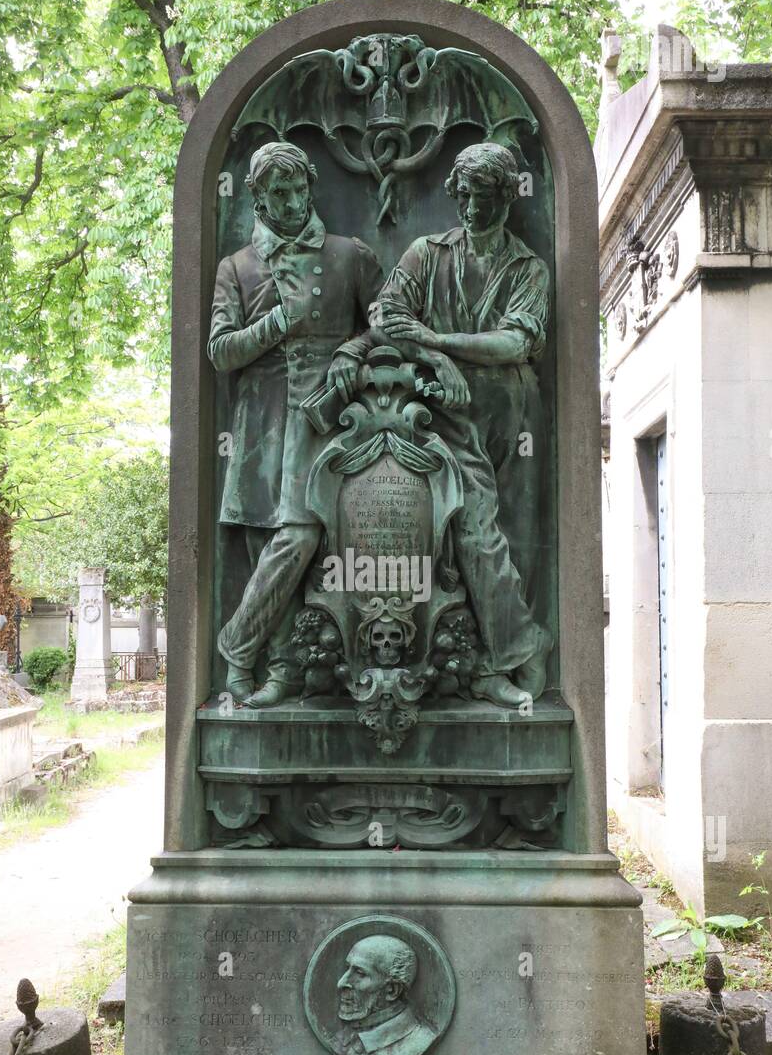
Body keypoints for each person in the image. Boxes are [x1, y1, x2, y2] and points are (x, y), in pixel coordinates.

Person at [336, 141, 551, 704]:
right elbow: (385, 315)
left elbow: (517, 341)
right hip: (443, 415)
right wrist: (438, 359)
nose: (473, 206)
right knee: (475, 532)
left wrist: (438, 339)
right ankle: (510, 658)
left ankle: (491, 657)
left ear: (507, 196)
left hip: (513, 412)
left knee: (515, 537)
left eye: (485, 194)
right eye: (466, 194)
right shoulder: (426, 253)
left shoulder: (528, 267)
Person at [208, 142, 383, 706]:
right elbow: (221, 351)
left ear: (311, 188)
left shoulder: (349, 255)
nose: (289, 202)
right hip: (261, 423)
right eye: (276, 194)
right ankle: (276, 670)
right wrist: (277, 322)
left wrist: (353, 354)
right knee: (266, 541)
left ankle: (236, 646)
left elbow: (388, 324)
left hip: (326, 422)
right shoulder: (236, 268)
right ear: (257, 199)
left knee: (304, 532)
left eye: (297, 190)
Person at [336, 935, 437, 1055]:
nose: (341, 983)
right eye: (347, 968)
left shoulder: (419, 1041)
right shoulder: (342, 1037)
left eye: (360, 973)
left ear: (392, 991)